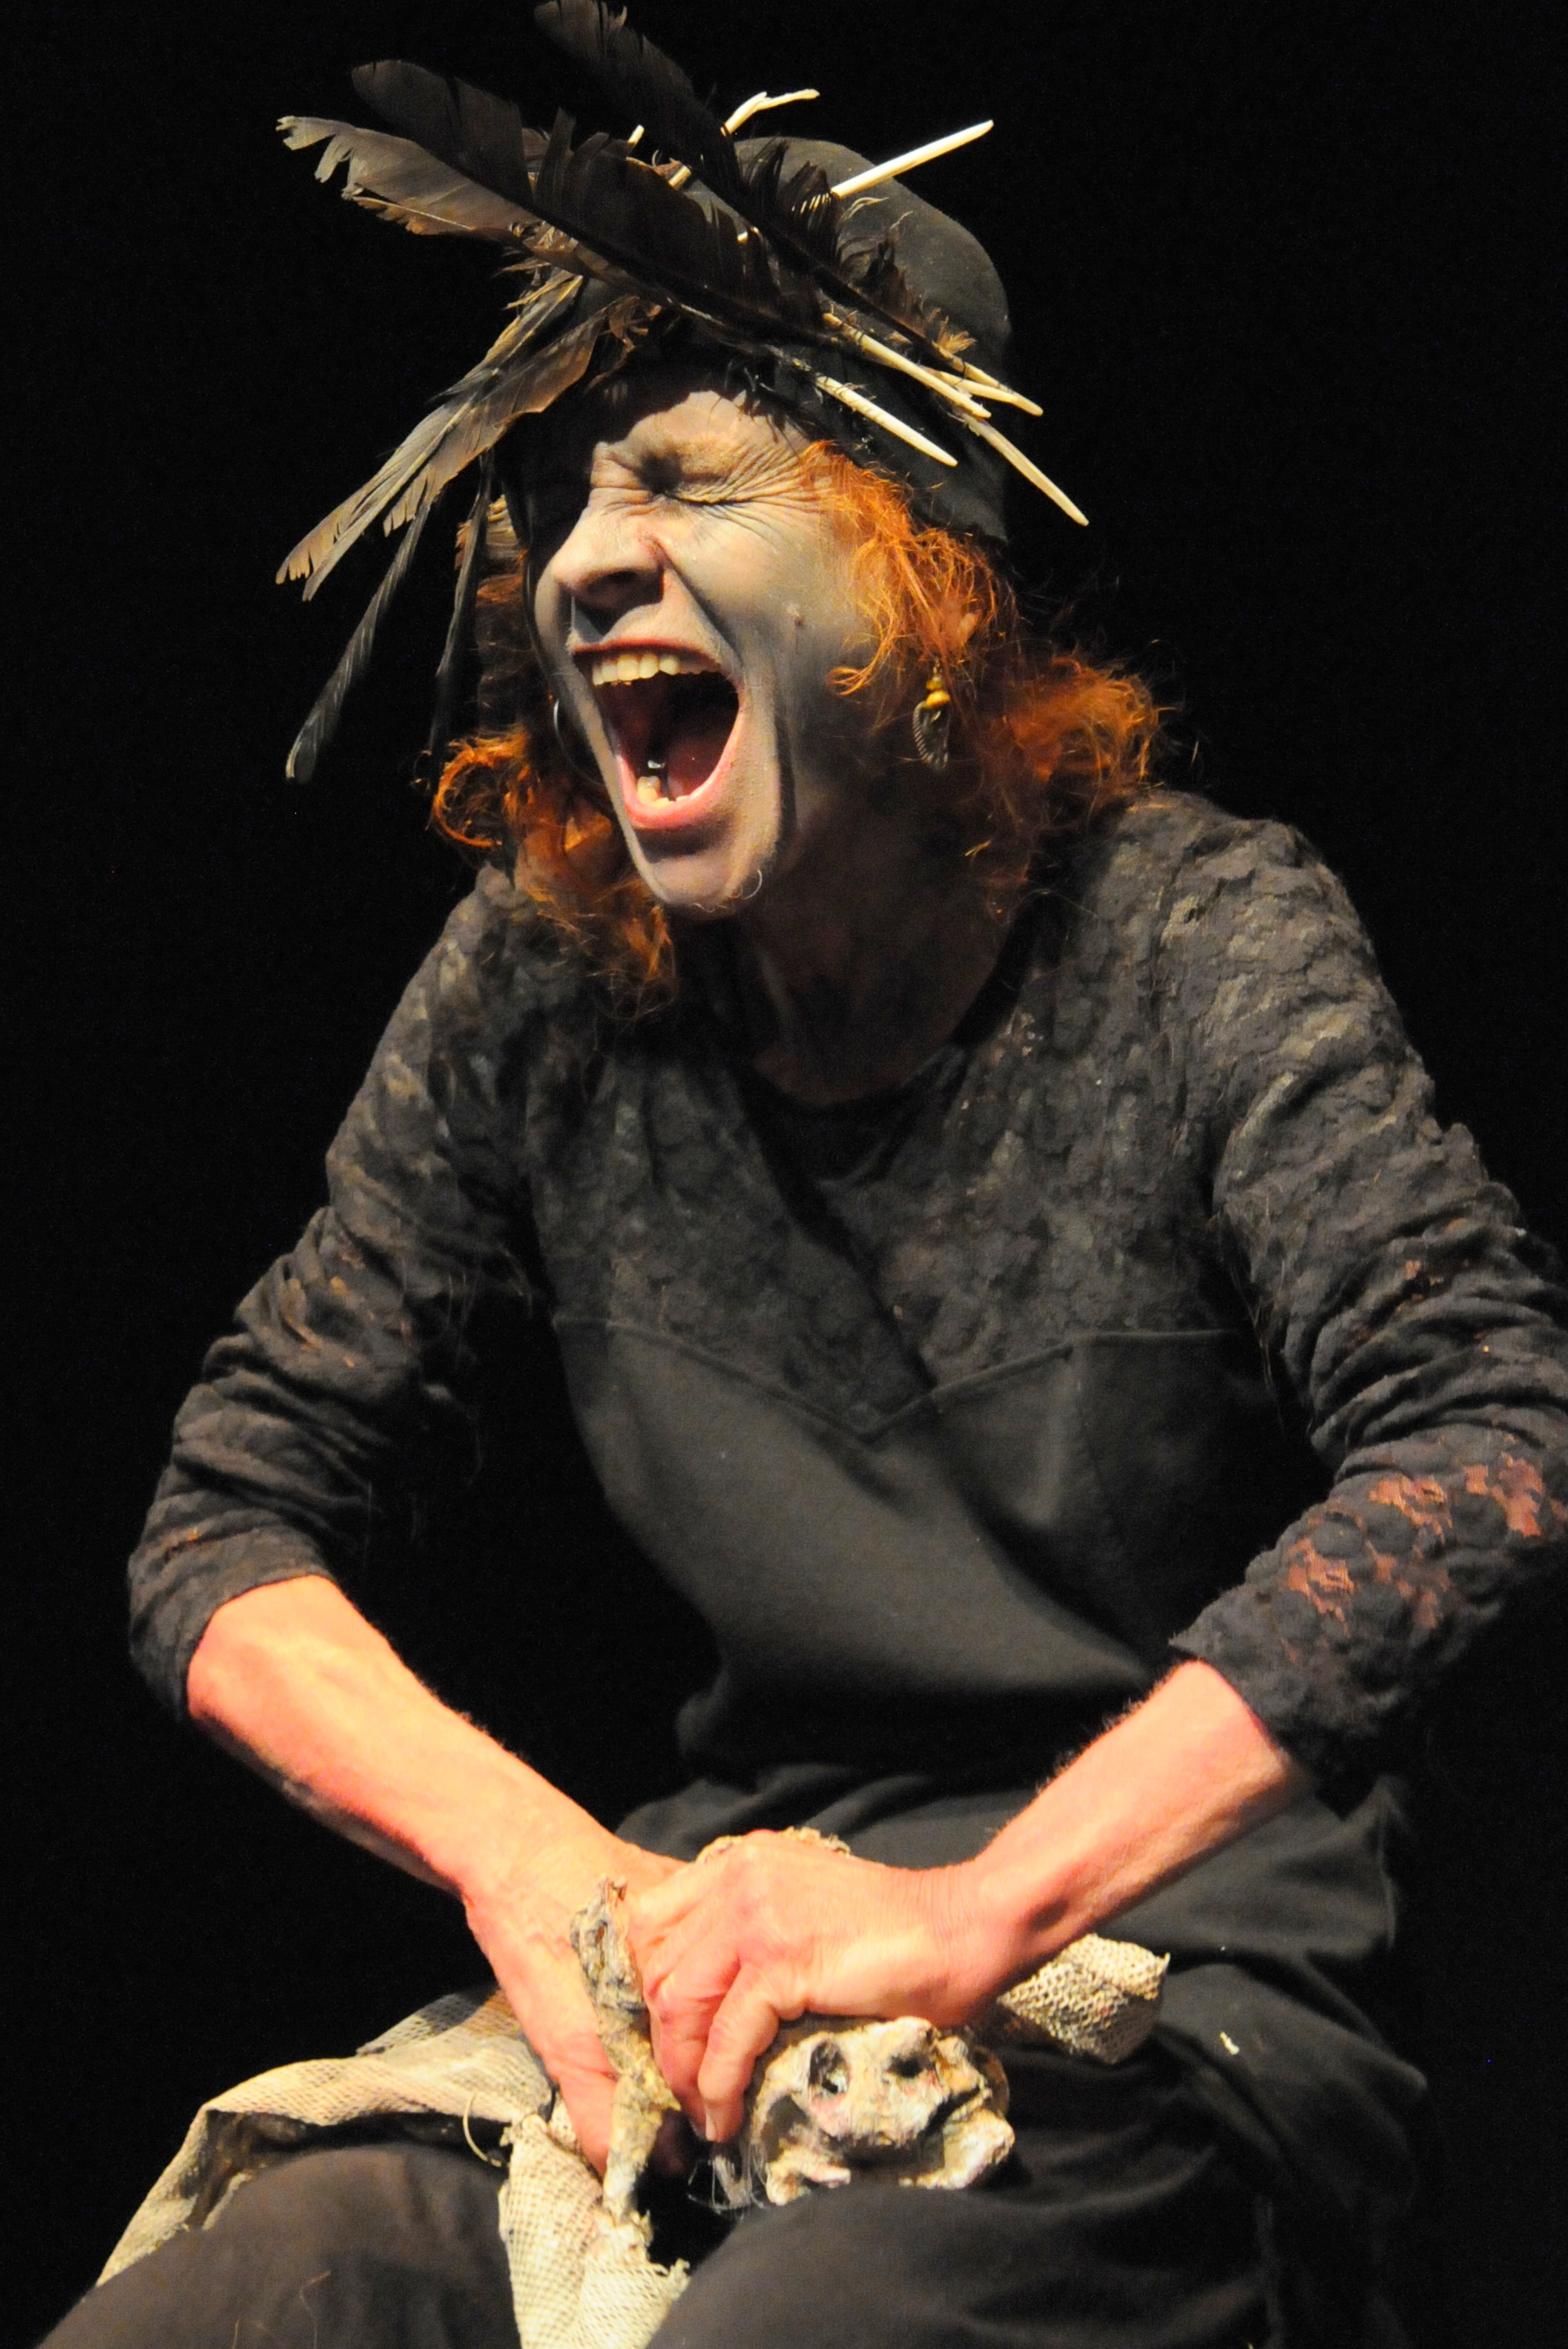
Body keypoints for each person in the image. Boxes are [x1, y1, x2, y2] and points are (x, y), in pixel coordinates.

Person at [42, 7, 1568, 2345]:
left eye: (685, 481)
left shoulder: (1189, 938)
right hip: (724, 1945)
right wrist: (542, 1873)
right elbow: (221, 1529)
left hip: (1159, 1979)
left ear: (917, 571)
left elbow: (1486, 1437)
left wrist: (975, 1916)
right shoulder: (550, 983)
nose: (589, 560)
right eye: (570, 503)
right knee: (250, 2301)